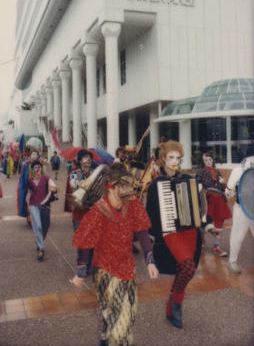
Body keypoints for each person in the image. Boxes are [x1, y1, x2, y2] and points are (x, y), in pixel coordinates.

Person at [71, 163, 159, 346]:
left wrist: (150, 260)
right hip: (105, 270)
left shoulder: (131, 203)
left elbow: (142, 231)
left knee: (123, 313)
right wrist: (80, 272)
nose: (130, 191)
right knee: (122, 321)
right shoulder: (98, 210)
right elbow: (85, 242)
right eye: (125, 185)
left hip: (127, 267)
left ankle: (106, 339)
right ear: (111, 185)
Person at [146, 140, 217, 329]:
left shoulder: (189, 180)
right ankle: (175, 303)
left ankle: (174, 302)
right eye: (171, 157)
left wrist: (209, 225)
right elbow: (150, 212)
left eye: (178, 157)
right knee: (186, 267)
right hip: (171, 232)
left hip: (190, 231)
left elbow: (200, 206)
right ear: (163, 159)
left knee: (189, 270)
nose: (175, 161)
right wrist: (152, 235)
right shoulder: (156, 184)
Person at [196, 152, 231, 257]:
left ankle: (217, 246)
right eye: (206, 160)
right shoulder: (201, 173)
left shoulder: (217, 172)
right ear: (203, 162)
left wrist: (224, 184)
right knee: (205, 221)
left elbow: (223, 187)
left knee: (219, 222)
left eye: (210, 160)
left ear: (213, 160)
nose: (208, 162)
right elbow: (197, 187)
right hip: (207, 201)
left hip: (219, 200)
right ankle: (201, 240)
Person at [225, 148, 254, 273]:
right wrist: (230, 190)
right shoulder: (238, 170)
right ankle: (232, 261)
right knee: (237, 236)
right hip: (241, 209)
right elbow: (228, 193)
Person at [27, 160, 57, 261]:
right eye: (35, 167)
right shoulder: (30, 181)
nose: (37, 169)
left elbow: (53, 186)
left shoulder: (46, 178)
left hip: (45, 205)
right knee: (38, 226)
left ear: (41, 168)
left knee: (46, 225)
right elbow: (28, 195)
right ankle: (41, 248)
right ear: (33, 170)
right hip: (34, 205)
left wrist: (53, 188)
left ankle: (40, 241)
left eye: (39, 167)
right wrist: (28, 208)